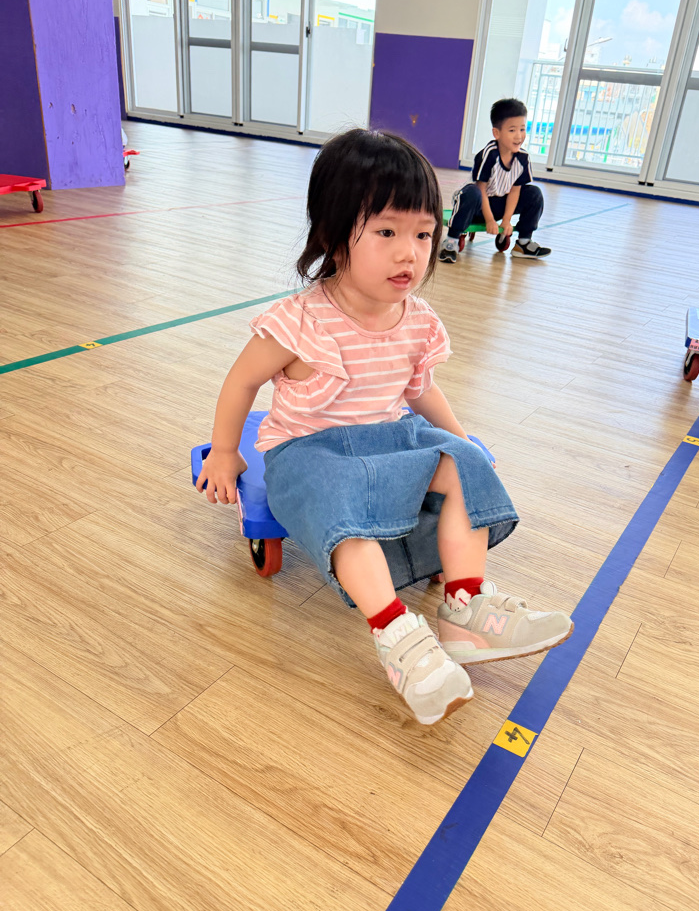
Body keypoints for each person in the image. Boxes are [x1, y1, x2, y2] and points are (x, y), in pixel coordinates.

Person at [196, 129, 573, 725]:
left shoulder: (416, 318)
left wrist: (461, 440)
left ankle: (466, 609)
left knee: (466, 464)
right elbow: (241, 382)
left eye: (423, 234)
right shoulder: (300, 321)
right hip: (309, 453)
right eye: (387, 233)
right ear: (333, 235)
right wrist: (224, 451)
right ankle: (397, 636)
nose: (410, 254)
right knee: (342, 503)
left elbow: (419, 389)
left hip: (388, 439)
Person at [439, 98, 550, 264]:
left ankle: (524, 243)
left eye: (522, 129)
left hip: (499, 204)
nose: (519, 136)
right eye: (512, 130)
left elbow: (515, 191)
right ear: (497, 133)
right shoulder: (489, 155)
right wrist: (490, 220)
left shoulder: (523, 158)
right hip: (476, 205)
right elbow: (481, 189)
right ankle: (451, 241)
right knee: (472, 191)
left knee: (534, 193)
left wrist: (506, 220)